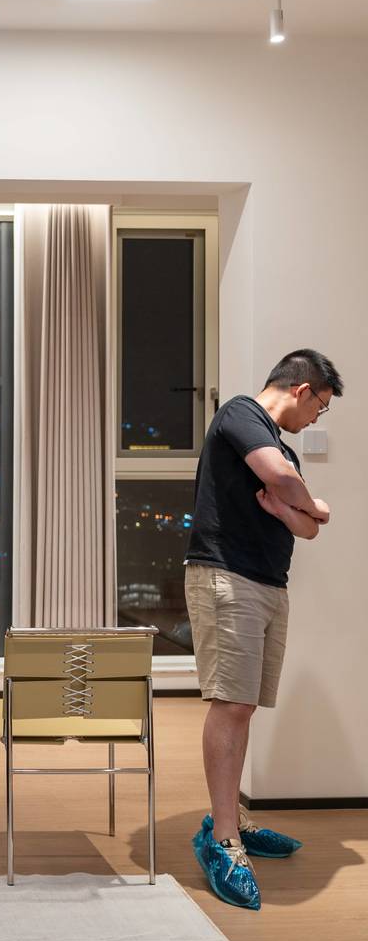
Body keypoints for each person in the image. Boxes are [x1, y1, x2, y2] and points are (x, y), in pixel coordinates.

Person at [184, 349, 341, 909]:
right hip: (228, 576)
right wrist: (308, 502)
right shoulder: (241, 414)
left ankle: (230, 818)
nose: (317, 417)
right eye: (320, 406)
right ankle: (223, 840)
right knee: (231, 703)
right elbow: (283, 483)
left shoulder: (279, 443)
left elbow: (308, 528)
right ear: (302, 389)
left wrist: (293, 509)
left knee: (244, 705)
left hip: (269, 584)